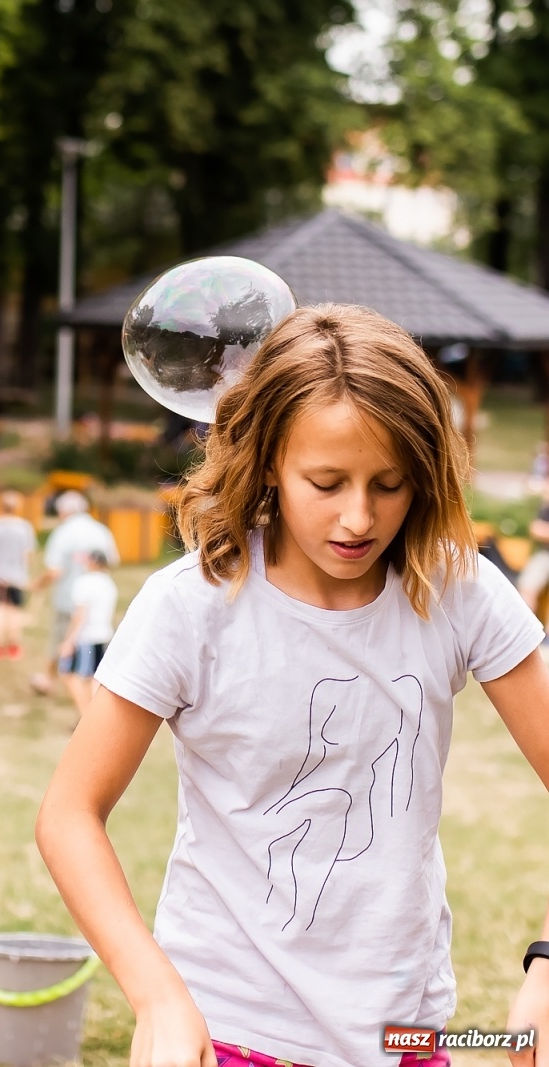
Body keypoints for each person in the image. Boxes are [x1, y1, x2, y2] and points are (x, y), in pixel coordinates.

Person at [35, 305, 549, 1067]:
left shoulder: (457, 589)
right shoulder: (191, 606)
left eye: (390, 483)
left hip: (406, 1035)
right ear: (269, 457)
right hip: (232, 1025)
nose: (358, 516)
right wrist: (157, 994)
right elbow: (69, 814)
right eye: (327, 481)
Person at [30, 490, 118, 695]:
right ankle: (92, 685)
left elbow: (55, 570)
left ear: (64, 511)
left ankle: (50, 679)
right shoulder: (101, 529)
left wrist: (38, 584)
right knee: (92, 643)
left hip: (69, 598)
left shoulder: (64, 532)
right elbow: (112, 560)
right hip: (98, 599)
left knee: (62, 638)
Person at [56, 549, 115, 715]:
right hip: (103, 634)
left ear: (93, 562)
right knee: (94, 678)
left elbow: (80, 615)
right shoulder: (108, 582)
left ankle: (86, 716)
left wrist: (69, 640)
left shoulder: (84, 582)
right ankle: (96, 715)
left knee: (70, 674)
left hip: (85, 637)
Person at [0, 489, 37, 660]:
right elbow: (28, 554)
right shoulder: (25, 528)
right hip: (17, 575)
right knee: (14, 612)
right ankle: (13, 647)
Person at [516, 481, 549, 626]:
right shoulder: (546, 508)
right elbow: (535, 529)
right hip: (545, 554)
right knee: (527, 585)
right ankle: (527, 627)